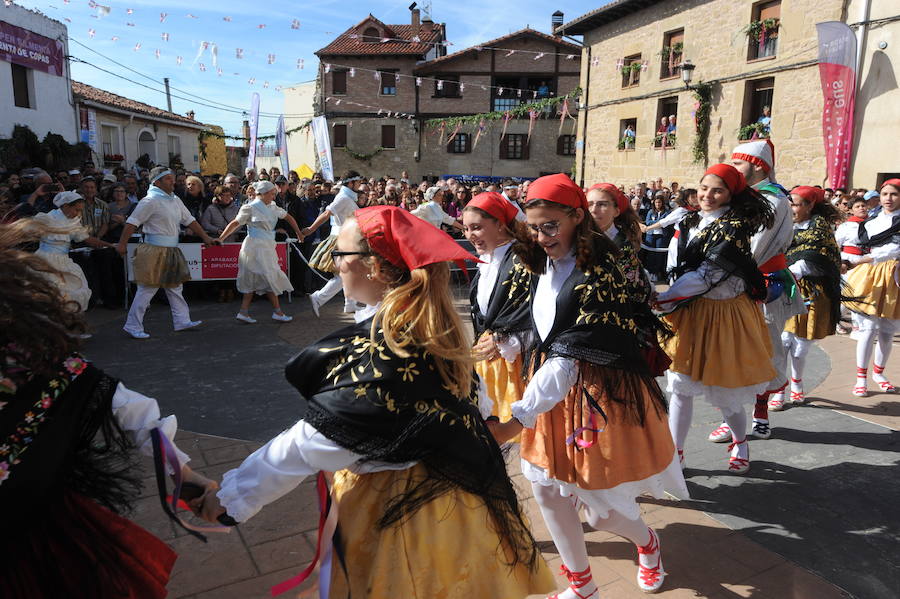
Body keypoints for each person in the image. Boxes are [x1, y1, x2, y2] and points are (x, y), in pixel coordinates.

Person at [197, 205, 555, 598]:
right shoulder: (430, 326)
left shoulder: (388, 345)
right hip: (459, 507)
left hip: (400, 513)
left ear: (376, 268)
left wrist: (231, 497)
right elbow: (477, 409)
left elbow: (312, 441)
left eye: (341, 254)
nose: (334, 265)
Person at [490, 174, 688, 596]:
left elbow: (570, 355)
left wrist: (515, 420)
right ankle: (582, 586)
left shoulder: (602, 268)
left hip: (597, 394)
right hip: (549, 391)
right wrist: (505, 338)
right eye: (534, 226)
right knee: (545, 491)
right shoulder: (537, 262)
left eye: (550, 226)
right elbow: (538, 324)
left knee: (602, 510)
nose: (541, 236)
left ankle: (648, 543)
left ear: (576, 217)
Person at [0, 218, 216, 598]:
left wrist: (186, 476)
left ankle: (163, 321)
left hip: (26, 538)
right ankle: (139, 322)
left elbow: (129, 412)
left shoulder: (35, 366)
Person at [657, 164, 775, 474]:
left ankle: (740, 441)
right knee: (680, 387)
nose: (707, 195)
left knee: (725, 391)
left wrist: (661, 300)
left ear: (730, 195)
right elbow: (677, 265)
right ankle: (676, 453)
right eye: (704, 187)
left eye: (717, 190)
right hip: (690, 311)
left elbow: (707, 275)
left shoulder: (734, 228)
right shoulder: (692, 219)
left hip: (724, 314)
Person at [707, 139, 804, 443]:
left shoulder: (772, 200)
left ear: (758, 166)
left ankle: (760, 412)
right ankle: (731, 416)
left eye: (738, 163)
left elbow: (753, 248)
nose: (733, 169)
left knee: (766, 350)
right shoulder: (741, 198)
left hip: (761, 285)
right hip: (735, 282)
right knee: (732, 352)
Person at [116, 166, 220, 339]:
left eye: (173, 178)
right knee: (148, 288)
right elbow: (132, 223)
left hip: (171, 249)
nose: (173, 181)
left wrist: (205, 238)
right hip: (153, 249)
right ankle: (132, 325)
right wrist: (122, 245)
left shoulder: (175, 200)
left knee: (175, 286)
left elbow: (190, 220)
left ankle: (181, 321)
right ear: (157, 182)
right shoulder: (149, 201)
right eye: (168, 179)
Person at [766, 186, 843, 413]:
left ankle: (797, 382)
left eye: (797, 204)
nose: (792, 208)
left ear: (810, 206)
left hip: (811, 290)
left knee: (800, 346)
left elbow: (823, 258)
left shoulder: (821, 230)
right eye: (790, 203)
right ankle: (779, 388)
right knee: (782, 341)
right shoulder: (782, 227)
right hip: (783, 289)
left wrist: (792, 271)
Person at [464, 192, 534, 424]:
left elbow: (537, 317)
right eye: (466, 229)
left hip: (516, 366)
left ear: (500, 226)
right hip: (489, 364)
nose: (470, 235)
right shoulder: (489, 259)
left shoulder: (522, 261)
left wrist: (503, 340)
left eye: (477, 227)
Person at [844, 179, 900, 396]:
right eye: (885, 194)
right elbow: (860, 249)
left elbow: (893, 249)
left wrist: (859, 260)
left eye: (893, 194)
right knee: (867, 329)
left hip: (894, 277)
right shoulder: (869, 223)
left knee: (887, 332)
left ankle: (879, 373)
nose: (888, 198)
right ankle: (861, 378)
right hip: (871, 276)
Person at [217, 181, 302, 324]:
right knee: (264, 276)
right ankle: (277, 312)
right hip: (254, 246)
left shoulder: (273, 207)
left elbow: (288, 217)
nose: (274, 196)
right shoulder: (249, 207)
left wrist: (298, 233)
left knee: (259, 277)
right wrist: (221, 238)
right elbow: (235, 223)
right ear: (262, 194)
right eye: (271, 194)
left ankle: (244, 312)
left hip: (268, 246)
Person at [31, 191, 115, 313]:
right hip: (46, 260)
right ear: (65, 206)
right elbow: (27, 230)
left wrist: (111, 245)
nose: (78, 214)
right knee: (50, 292)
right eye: (76, 210)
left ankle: (66, 323)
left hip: (64, 260)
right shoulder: (47, 218)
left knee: (74, 288)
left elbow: (88, 239)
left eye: (80, 210)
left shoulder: (73, 221)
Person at [303, 170, 364, 316]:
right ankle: (318, 298)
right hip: (342, 240)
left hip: (346, 239)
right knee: (346, 274)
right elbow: (326, 213)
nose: (360, 185)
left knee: (350, 273)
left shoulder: (347, 197)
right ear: (350, 183)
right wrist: (311, 229)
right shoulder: (343, 198)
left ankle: (349, 304)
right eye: (358, 182)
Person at [643, 192, 674, 281]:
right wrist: (659, 222)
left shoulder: (667, 212)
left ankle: (656, 273)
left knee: (659, 254)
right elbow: (648, 222)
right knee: (651, 254)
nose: (658, 204)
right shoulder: (650, 211)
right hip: (651, 235)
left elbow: (666, 223)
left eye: (659, 202)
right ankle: (650, 272)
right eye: (656, 202)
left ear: (662, 203)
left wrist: (660, 222)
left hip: (661, 236)